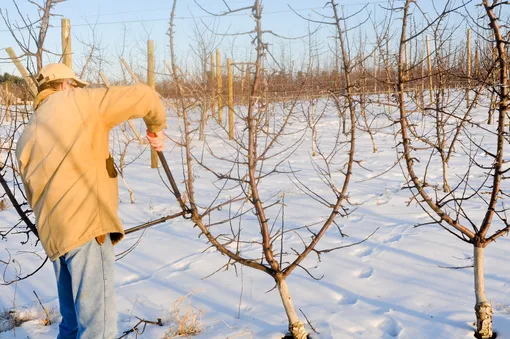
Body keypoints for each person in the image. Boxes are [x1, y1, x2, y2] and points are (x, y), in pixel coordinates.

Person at [15, 63, 166, 339]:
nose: (75, 90)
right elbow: (145, 96)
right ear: (63, 85)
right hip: (86, 230)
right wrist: (156, 129)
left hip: (56, 240)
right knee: (99, 329)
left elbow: (31, 193)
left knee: (72, 327)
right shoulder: (80, 103)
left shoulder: (28, 133)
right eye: (73, 85)